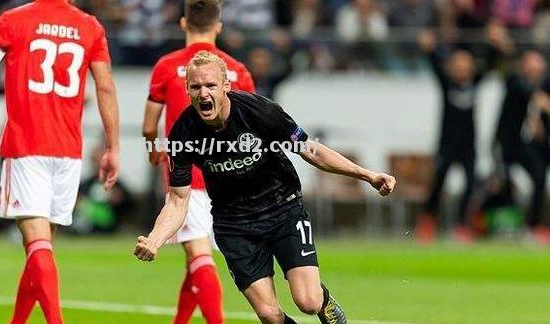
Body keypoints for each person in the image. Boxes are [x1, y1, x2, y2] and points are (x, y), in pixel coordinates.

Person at [135, 51, 396, 324]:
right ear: (187, 89)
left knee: (308, 301)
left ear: (226, 85)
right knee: (270, 316)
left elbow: (310, 150)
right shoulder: (182, 134)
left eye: (210, 85)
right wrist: (155, 239)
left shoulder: (260, 111)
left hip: (282, 208)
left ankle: (327, 306)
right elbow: (178, 201)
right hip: (233, 224)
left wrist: (366, 175)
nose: (203, 93)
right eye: (196, 86)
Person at [0, 0, 120, 323]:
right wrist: (112, 147)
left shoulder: (13, 21)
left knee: (37, 244)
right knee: (39, 248)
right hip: (68, 152)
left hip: (27, 147)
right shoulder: (90, 27)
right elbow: (104, 87)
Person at [141, 1, 255, 323]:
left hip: (188, 178)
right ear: (219, 27)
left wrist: (154, 149)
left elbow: (150, 125)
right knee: (196, 254)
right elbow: (252, 126)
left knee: (198, 253)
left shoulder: (167, 65)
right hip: (230, 177)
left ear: (182, 23)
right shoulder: (238, 71)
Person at [415, 26, 511, 243]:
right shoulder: (446, 83)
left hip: (469, 146)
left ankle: (461, 227)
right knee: (438, 184)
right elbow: (433, 62)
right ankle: (428, 222)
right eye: (457, 65)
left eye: (465, 65)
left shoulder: (475, 83)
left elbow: (490, 65)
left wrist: (495, 44)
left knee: (469, 186)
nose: (462, 69)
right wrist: (428, 47)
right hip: (447, 144)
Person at [494, 50, 550, 244]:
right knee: (505, 184)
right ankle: (503, 227)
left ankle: (533, 227)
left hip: (527, 145)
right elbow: (526, 93)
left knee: (539, 177)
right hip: (507, 144)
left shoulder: (542, 85)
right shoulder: (515, 81)